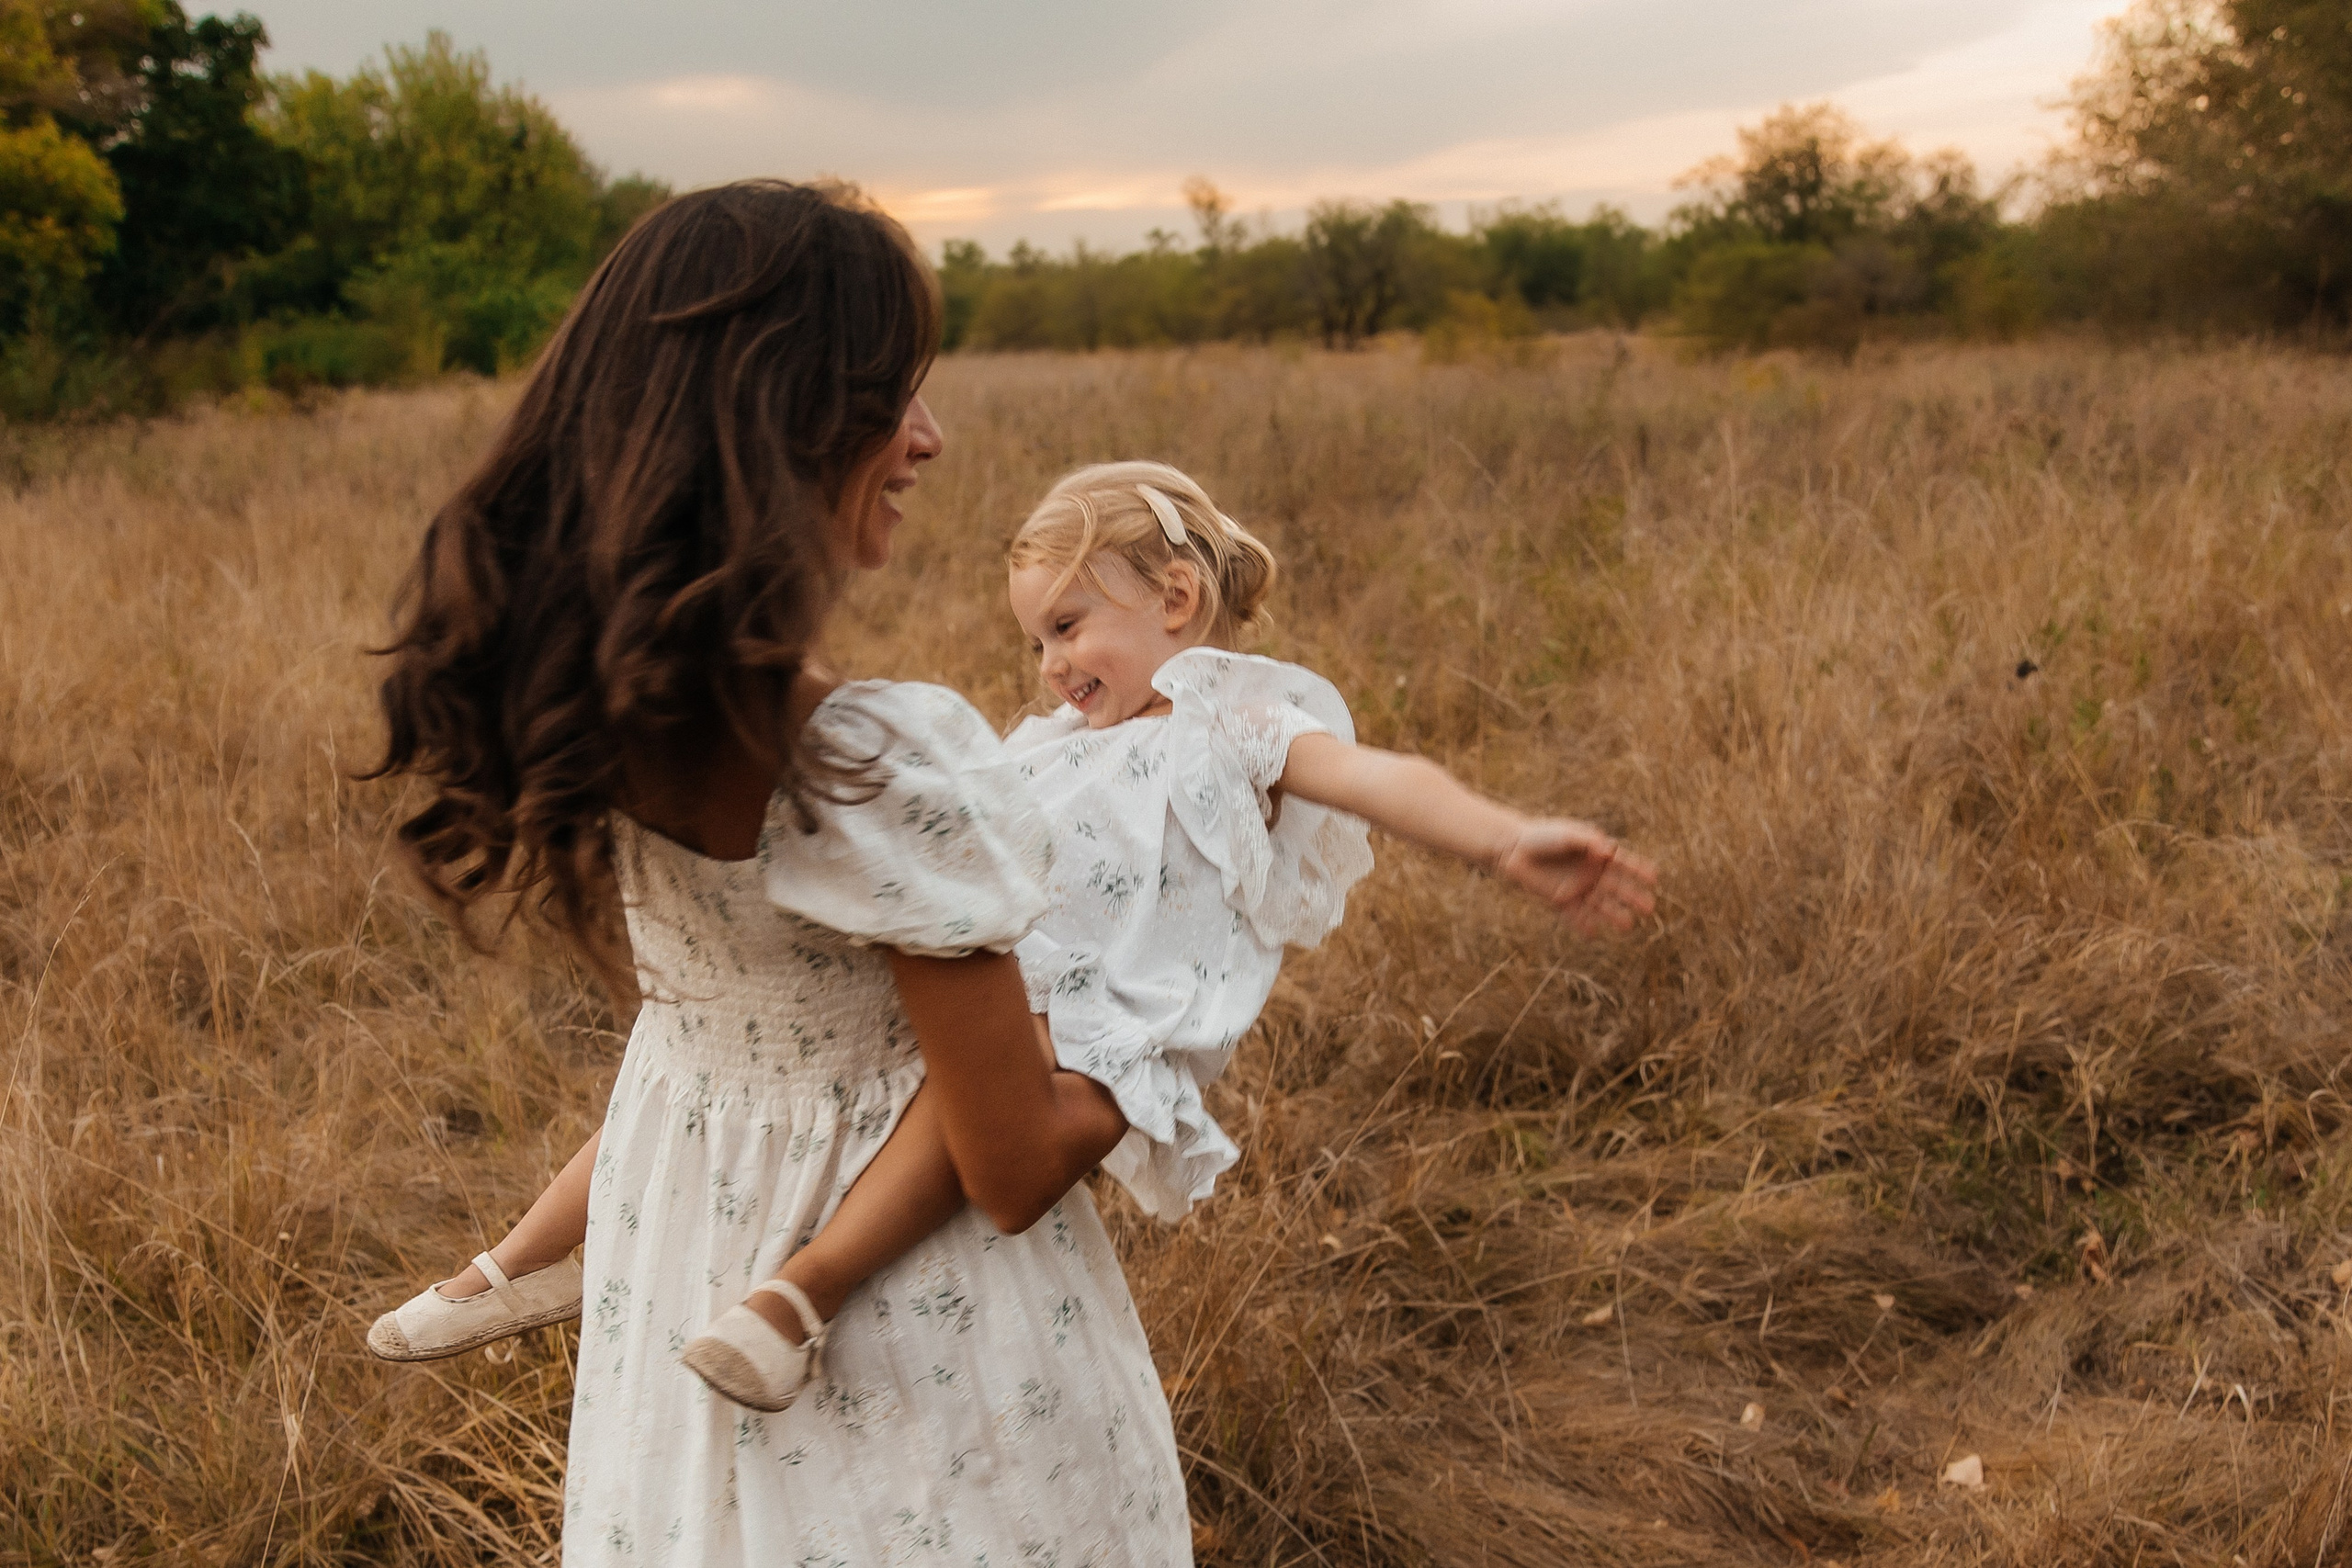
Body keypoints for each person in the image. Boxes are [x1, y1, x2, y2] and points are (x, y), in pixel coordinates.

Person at [373, 446, 1661, 1417]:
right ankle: (512, 1264)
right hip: (1017, 960)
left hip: (1121, 1005)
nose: (1049, 664)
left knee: (965, 1112)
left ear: (1175, 597)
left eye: (1067, 628)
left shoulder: (1235, 719)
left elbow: (1384, 777)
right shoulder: (1050, 738)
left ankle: (797, 1296)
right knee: (713, 1044)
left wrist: (1499, 836)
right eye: (1034, 638)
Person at [365, 179, 1189, 1563]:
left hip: (684, 1255)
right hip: (918, 1351)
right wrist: (1152, 1037)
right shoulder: (865, 759)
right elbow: (1008, 1162)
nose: (930, 439)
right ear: (781, 416)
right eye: (895, 395)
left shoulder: (595, 699)